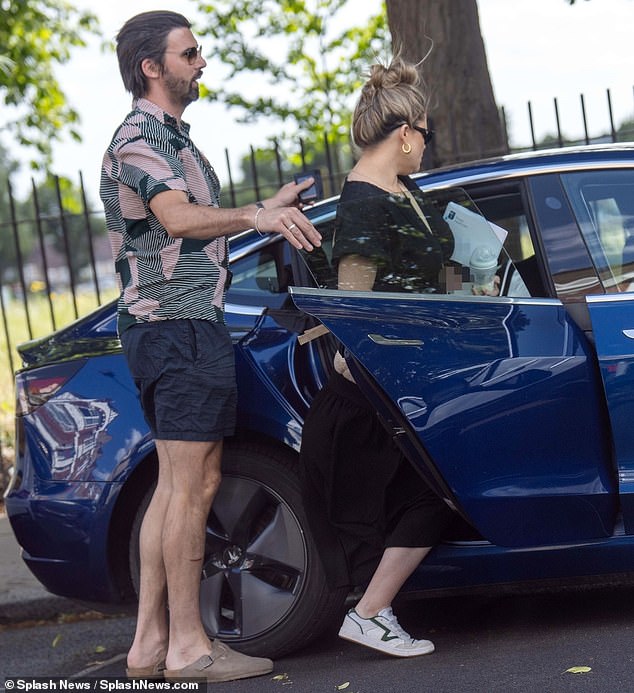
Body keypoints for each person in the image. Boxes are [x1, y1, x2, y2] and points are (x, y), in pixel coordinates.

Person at [100, 10, 321, 684]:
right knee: (190, 488)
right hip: (175, 326)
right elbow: (173, 217)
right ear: (152, 67)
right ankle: (190, 646)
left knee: (180, 486)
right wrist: (256, 214)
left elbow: (193, 229)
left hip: (181, 324)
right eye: (190, 53)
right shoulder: (138, 137)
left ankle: (147, 646)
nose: (201, 63)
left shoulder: (175, 140)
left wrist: (266, 207)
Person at [299, 56, 457, 658]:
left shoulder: (404, 188)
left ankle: (372, 610)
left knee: (435, 495)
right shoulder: (365, 200)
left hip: (407, 376)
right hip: (373, 390)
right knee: (434, 496)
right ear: (406, 134)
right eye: (425, 134)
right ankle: (369, 614)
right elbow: (355, 307)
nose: (425, 145)